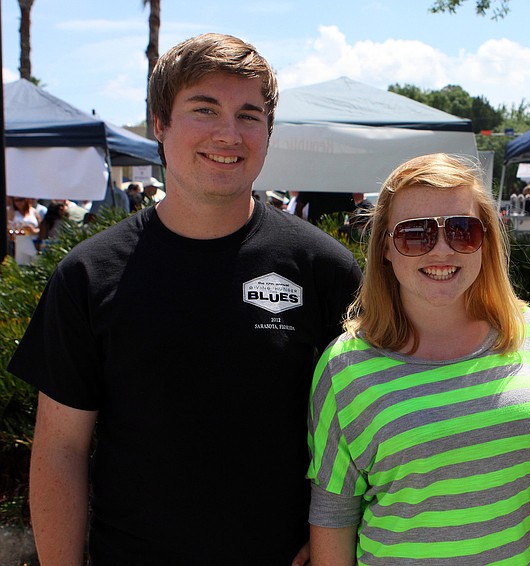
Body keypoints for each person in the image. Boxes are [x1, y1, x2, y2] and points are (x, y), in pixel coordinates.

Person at [7, 33, 362, 566]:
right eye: (204, 109)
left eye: (249, 115)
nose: (229, 133)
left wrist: (334, 539)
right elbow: (61, 449)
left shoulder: (323, 269)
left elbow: (360, 430)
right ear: (160, 124)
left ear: (269, 131)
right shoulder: (88, 275)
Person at [308, 153, 530, 564]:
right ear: (385, 247)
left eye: (462, 231)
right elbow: (333, 516)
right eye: (414, 234)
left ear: (486, 240)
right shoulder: (344, 368)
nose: (441, 251)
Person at [7, 196, 41, 265]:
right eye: (16, 201)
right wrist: (17, 231)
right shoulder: (12, 212)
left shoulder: (33, 211)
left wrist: (33, 230)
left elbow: (41, 229)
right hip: (19, 241)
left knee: (35, 262)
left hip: (34, 242)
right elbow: (8, 228)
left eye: (21, 200)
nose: (18, 203)